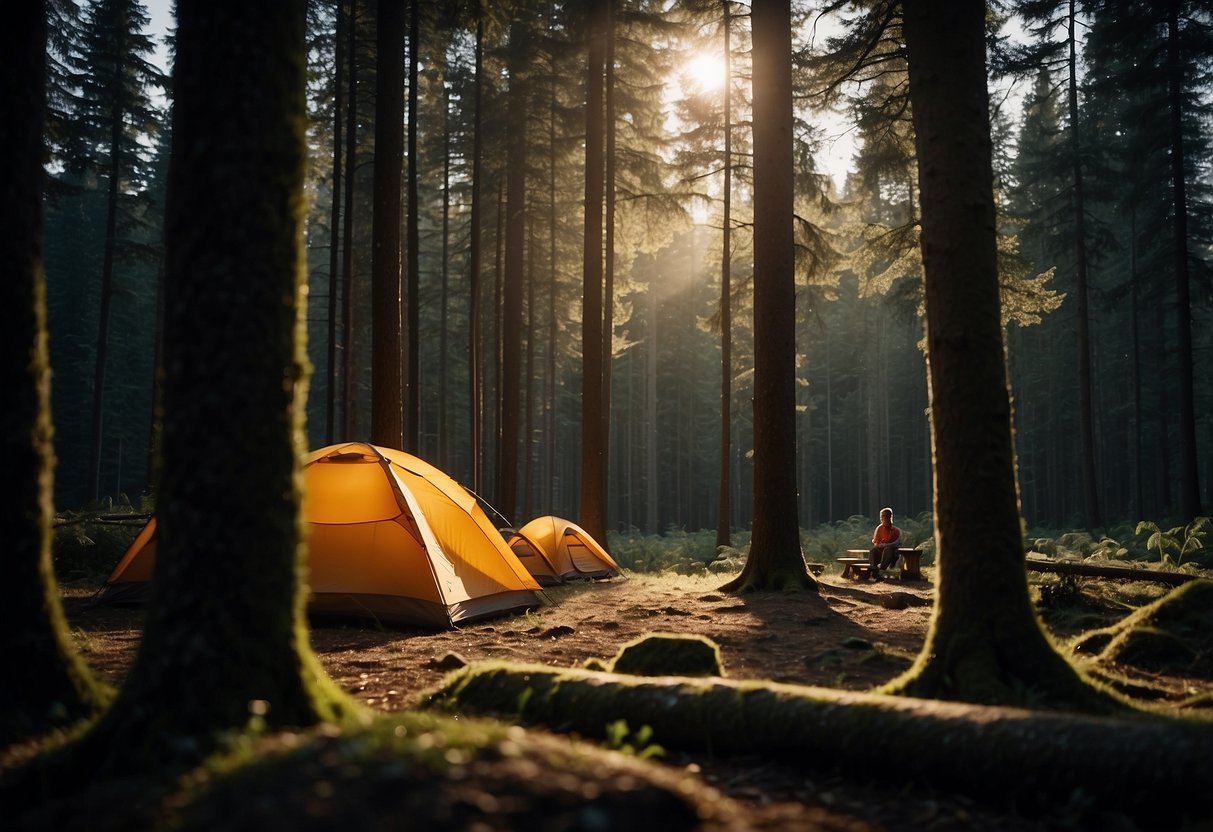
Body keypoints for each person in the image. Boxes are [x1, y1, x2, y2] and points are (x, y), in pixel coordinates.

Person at [869, 507, 901, 579]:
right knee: (873, 550)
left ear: (890, 517)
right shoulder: (879, 528)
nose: (884, 518)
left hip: (892, 554)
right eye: (882, 516)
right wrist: (879, 545)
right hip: (881, 552)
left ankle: (881, 571)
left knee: (887, 549)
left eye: (886, 516)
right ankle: (873, 569)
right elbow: (876, 543)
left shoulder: (896, 530)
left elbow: (896, 543)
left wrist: (886, 545)